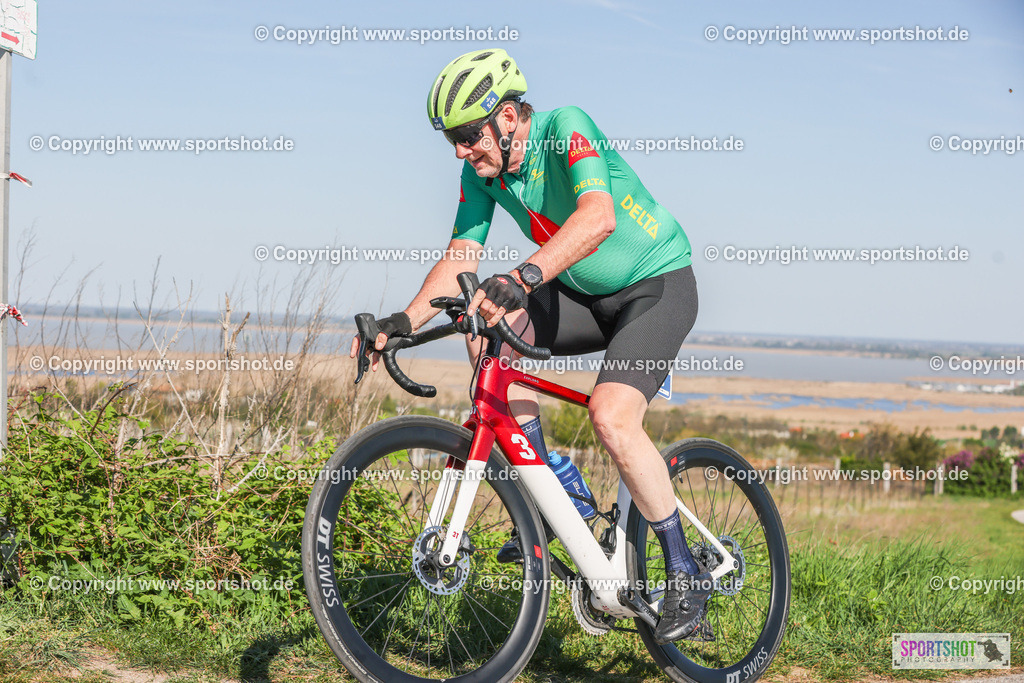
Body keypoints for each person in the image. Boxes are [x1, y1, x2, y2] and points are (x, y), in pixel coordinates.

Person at [350, 48, 710, 644]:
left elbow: (597, 220)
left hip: (657, 286)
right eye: (452, 141)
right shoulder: (480, 175)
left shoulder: (566, 128)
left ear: (509, 117)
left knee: (612, 418)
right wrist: (401, 323)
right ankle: (550, 492)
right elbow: (460, 257)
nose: (462, 152)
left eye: (468, 135)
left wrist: (521, 277)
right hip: (578, 292)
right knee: (481, 322)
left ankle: (686, 573)